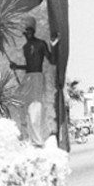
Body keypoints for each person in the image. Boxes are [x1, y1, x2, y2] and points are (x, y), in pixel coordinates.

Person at [9, 16, 59, 147]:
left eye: (29, 29)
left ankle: (37, 141)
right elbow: (29, 65)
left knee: (34, 109)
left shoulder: (41, 43)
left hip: (37, 78)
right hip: (28, 77)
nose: (27, 32)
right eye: (25, 30)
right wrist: (17, 66)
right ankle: (25, 135)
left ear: (33, 30)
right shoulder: (25, 47)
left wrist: (53, 46)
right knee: (15, 101)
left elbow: (52, 60)